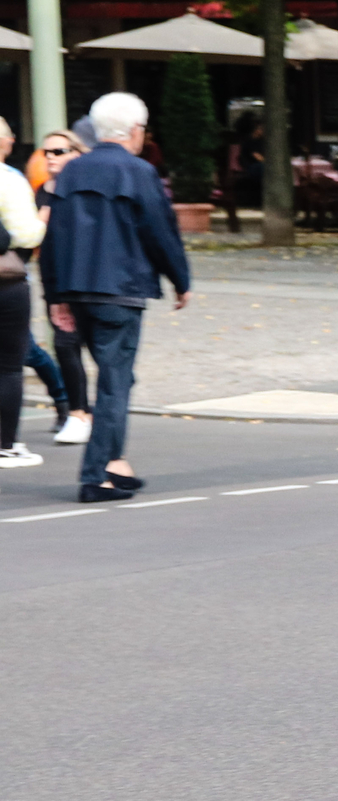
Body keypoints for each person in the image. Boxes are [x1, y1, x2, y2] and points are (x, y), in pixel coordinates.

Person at [38, 92, 190, 503]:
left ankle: (116, 463)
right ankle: (95, 477)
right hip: (119, 290)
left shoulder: (69, 172)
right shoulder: (139, 172)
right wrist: (181, 279)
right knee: (114, 382)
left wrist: (54, 295)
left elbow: (52, 237)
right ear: (136, 131)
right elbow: (161, 231)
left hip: (75, 289)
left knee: (117, 379)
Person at [32, 129, 89, 444]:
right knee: (66, 346)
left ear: (76, 153)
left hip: (86, 281)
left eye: (58, 151)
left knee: (93, 347)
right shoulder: (44, 191)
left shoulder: (84, 189)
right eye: (47, 152)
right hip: (54, 281)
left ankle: (88, 412)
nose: (50, 157)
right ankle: (78, 412)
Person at [0, 114, 46, 469]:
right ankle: (6, 444)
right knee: (8, 367)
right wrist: (43, 220)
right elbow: (27, 235)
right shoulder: (10, 180)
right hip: (6, 282)